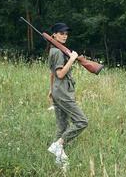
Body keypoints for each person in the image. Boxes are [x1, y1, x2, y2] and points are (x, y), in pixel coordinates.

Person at [47, 22, 88, 166]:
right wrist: (72, 58)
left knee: (62, 127)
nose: (64, 36)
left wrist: (51, 90)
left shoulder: (54, 50)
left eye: (66, 33)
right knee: (82, 121)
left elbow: (52, 74)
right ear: (54, 35)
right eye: (61, 33)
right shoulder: (58, 52)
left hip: (58, 92)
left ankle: (58, 159)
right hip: (63, 93)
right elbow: (59, 73)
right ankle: (58, 145)